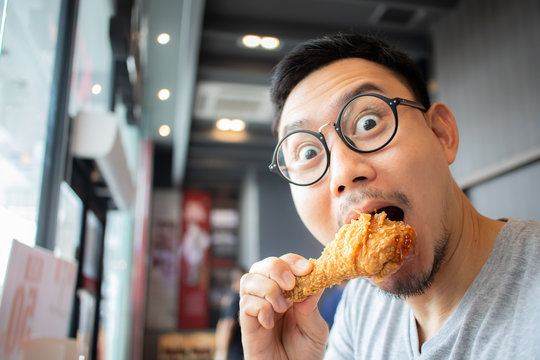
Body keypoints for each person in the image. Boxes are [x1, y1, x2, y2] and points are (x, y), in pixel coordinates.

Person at [238, 33, 540, 359]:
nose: (342, 173)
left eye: (368, 122)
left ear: (441, 134)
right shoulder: (361, 307)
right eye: (308, 152)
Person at [215, 267, 245, 360]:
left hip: (229, 350)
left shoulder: (227, 297)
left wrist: (219, 349)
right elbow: (228, 324)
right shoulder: (236, 299)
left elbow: (221, 324)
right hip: (235, 351)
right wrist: (222, 352)